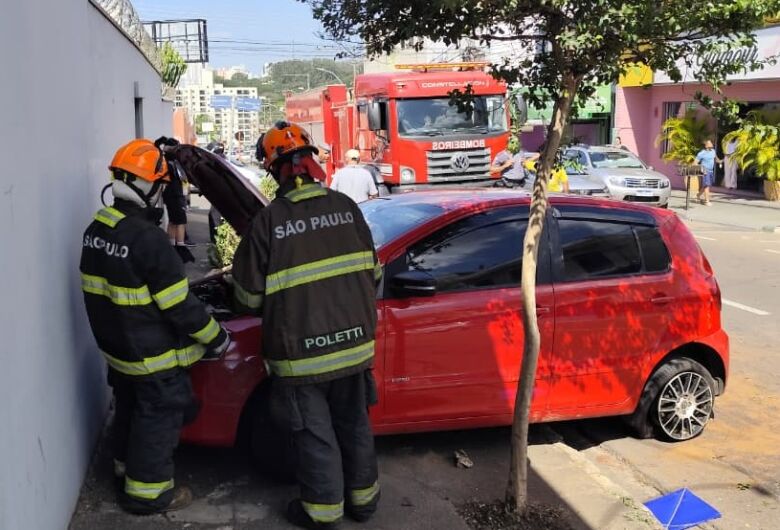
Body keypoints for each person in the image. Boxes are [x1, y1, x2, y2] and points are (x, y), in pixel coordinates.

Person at [232, 122, 381, 529]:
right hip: (355, 346)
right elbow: (374, 274)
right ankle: (364, 503)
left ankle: (322, 512)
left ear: (275, 171)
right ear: (311, 162)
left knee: (315, 435)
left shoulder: (269, 223)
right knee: (354, 425)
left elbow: (246, 299)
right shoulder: (347, 208)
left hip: (301, 356)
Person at [80, 139, 230, 515]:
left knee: (129, 409)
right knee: (157, 420)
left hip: (119, 351)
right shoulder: (149, 240)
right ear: (148, 188)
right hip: (153, 357)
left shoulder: (97, 230)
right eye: (160, 187)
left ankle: (123, 469)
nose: (162, 196)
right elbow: (179, 306)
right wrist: (217, 338)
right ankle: (148, 495)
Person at [695, 140, 722, 205]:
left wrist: (721, 161)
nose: (712, 144)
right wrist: (700, 169)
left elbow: (716, 159)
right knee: (707, 186)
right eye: (710, 143)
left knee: (706, 185)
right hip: (705, 171)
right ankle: (707, 201)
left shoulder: (713, 151)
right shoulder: (702, 153)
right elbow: (695, 162)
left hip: (711, 171)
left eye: (712, 143)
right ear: (706, 145)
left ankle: (698, 195)